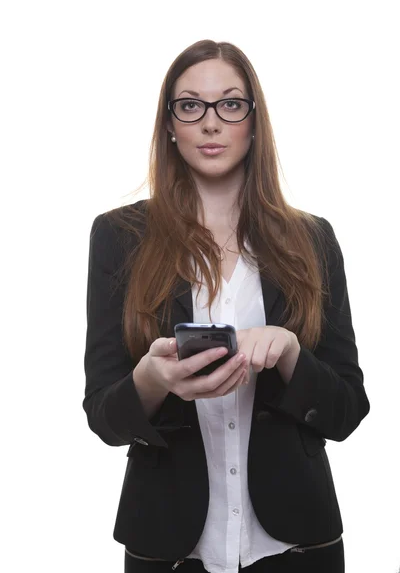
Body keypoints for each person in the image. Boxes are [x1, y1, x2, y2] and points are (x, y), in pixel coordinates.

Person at [83, 39, 370, 573]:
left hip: (297, 545)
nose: (210, 122)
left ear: (253, 122)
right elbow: (103, 417)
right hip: (169, 545)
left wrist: (288, 352)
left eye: (230, 104)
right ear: (170, 125)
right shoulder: (119, 237)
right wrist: (152, 379)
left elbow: (348, 410)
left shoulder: (312, 239)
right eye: (190, 105)